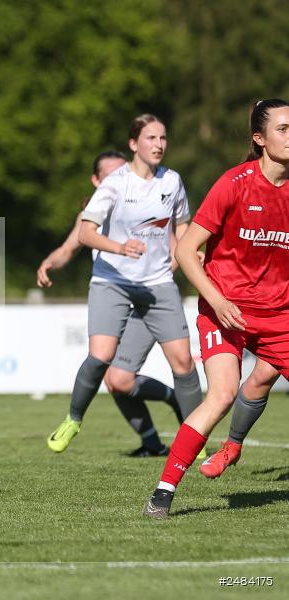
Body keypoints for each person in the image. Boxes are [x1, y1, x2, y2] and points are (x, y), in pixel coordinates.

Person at [143, 99, 289, 519]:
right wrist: (218, 299)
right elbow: (187, 250)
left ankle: (232, 446)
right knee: (222, 394)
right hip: (225, 309)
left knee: (256, 385)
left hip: (279, 316)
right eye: (283, 129)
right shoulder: (234, 183)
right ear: (259, 139)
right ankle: (162, 494)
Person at [47, 115, 202, 453]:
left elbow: (182, 226)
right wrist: (120, 248)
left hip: (156, 284)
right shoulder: (115, 184)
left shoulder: (172, 181)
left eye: (163, 138)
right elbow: (85, 234)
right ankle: (73, 419)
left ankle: (195, 441)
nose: (159, 144)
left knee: (183, 363)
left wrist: (187, 254)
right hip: (113, 281)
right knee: (102, 357)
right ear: (134, 144)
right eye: (151, 138)